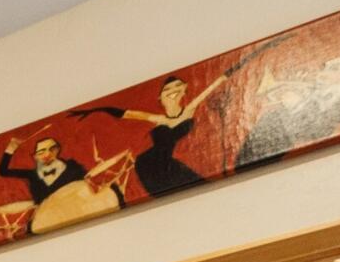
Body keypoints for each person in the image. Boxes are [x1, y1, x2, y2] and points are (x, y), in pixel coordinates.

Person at [82, 73, 230, 199]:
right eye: (167, 89)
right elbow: (127, 114)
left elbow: (210, 88)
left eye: (178, 86)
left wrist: (223, 77)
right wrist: (96, 109)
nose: (173, 90)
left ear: (185, 89)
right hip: (148, 164)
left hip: (168, 164)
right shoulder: (158, 119)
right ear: (160, 97)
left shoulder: (189, 110)